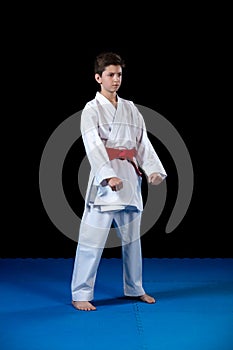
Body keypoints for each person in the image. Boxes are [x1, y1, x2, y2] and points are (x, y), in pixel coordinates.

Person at [71, 52, 167, 311]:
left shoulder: (130, 108)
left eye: (119, 75)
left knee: (132, 241)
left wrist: (152, 170)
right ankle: (80, 293)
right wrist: (107, 175)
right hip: (105, 183)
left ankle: (135, 288)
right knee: (92, 240)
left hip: (129, 178)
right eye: (111, 75)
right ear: (98, 77)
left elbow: (141, 142)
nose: (116, 79)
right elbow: (92, 145)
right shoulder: (91, 110)